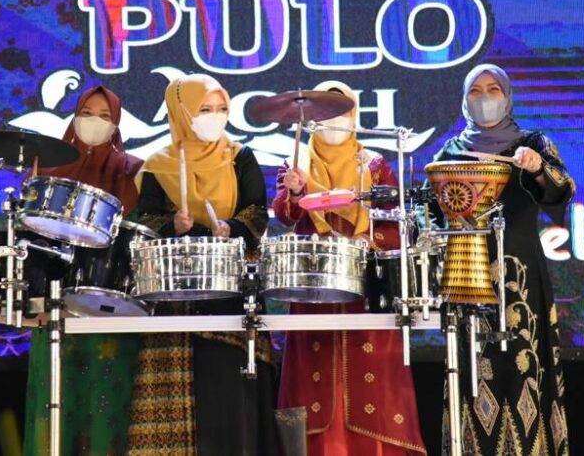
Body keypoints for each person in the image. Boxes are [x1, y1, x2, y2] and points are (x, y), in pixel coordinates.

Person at [125, 73, 280, 455]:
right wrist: (173, 227)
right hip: (176, 296)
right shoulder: (159, 164)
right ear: (182, 113)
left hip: (232, 289)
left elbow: (257, 212)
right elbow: (146, 221)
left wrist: (232, 228)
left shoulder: (240, 156)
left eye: (221, 108)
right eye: (204, 109)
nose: (215, 116)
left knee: (231, 392)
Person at [272, 80, 428, 455]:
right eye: (325, 112)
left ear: (354, 115)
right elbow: (284, 214)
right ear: (311, 119)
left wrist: (365, 243)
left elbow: (395, 226)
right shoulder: (297, 165)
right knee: (314, 380)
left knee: (373, 385)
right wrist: (295, 191)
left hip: (366, 291)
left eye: (341, 111)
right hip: (313, 289)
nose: (334, 120)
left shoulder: (375, 165)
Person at [432, 64, 575, 456]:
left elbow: (562, 190)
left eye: (493, 89)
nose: (485, 98)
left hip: (521, 275)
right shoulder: (452, 152)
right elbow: (430, 213)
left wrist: (537, 168)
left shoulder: (532, 144)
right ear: (465, 99)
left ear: (508, 96)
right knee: (471, 373)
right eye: (475, 91)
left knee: (525, 367)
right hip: (468, 278)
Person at [22, 84, 143, 456]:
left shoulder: (133, 170)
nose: (95, 122)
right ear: (74, 117)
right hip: (55, 310)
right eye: (87, 114)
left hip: (111, 310)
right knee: (56, 403)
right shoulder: (47, 170)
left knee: (108, 407)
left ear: (117, 123)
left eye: (105, 116)